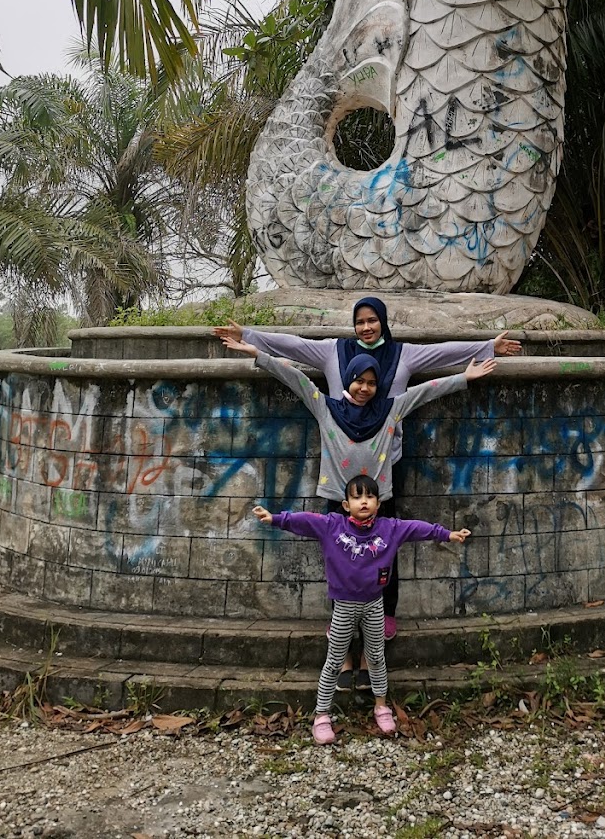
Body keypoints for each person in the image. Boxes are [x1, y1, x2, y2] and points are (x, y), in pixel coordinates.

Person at [214, 297, 519, 641]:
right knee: (337, 543)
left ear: (383, 321)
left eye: (373, 320)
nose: (366, 327)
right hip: (339, 473)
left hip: (384, 463)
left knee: (384, 540)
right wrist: (250, 338)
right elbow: (294, 352)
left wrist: (485, 349)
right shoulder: (333, 355)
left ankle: (385, 611)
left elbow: (439, 361)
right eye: (360, 321)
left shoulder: (402, 357)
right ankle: (341, 615)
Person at [254, 475, 470, 743]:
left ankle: (381, 707)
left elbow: (417, 528)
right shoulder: (332, 525)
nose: (364, 501)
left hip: (374, 605)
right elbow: (304, 520)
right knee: (334, 660)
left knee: (376, 657)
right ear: (346, 505)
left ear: (378, 503)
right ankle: (321, 715)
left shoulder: (390, 528)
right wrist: (274, 518)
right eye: (357, 497)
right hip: (343, 607)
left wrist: (447, 534)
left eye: (369, 496)